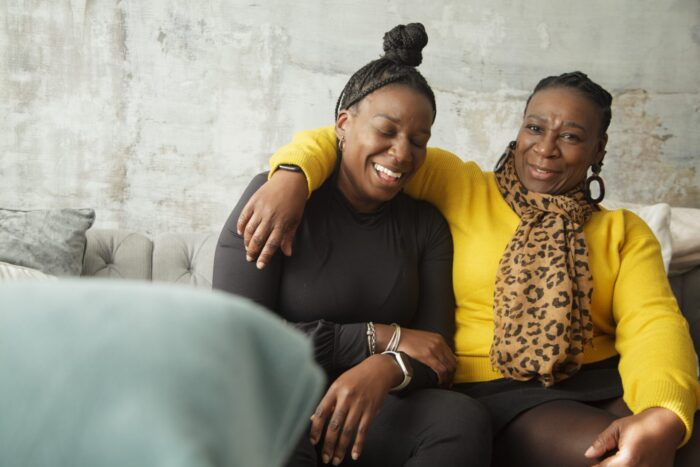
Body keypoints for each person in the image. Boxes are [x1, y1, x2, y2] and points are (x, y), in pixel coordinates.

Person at [237, 71, 700, 466]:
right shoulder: (461, 186)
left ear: (598, 149)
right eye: (535, 128)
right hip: (497, 390)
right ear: (519, 131)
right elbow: (357, 137)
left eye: (572, 136)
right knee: (609, 453)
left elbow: (653, 324)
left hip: (604, 380)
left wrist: (666, 413)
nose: (546, 148)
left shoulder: (624, 230)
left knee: (684, 441)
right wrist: (291, 175)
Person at [213, 23, 491, 467]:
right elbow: (238, 338)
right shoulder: (277, 202)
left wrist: (385, 368)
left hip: (373, 406)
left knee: (460, 420)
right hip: (276, 395)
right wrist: (374, 340)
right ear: (343, 124)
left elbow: (435, 350)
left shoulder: (426, 227)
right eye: (387, 131)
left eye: (418, 141)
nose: (402, 153)